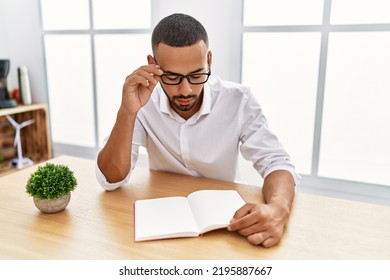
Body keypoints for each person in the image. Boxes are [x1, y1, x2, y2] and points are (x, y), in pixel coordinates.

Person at [96, 13, 300, 248]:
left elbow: (277, 162)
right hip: (164, 222)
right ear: (153, 65)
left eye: (196, 75)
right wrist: (127, 112)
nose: (186, 90)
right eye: (172, 77)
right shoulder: (143, 101)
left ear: (209, 61)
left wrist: (279, 209)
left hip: (226, 226)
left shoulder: (238, 100)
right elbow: (110, 180)